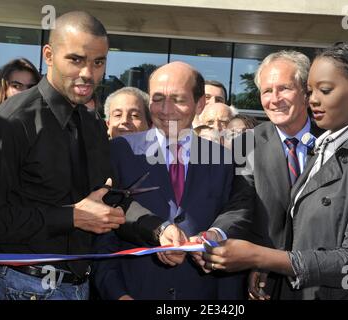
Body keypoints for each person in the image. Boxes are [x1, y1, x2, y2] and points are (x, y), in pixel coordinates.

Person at [202, 42, 348, 300]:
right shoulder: (324, 146)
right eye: (312, 90)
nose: (314, 99)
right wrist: (270, 264)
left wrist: (260, 257)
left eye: (325, 90)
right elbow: (298, 228)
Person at [0, 11, 128, 300]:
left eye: (98, 62)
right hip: (22, 286)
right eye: (76, 59)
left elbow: (104, 199)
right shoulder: (12, 120)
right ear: (48, 55)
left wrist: (158, 230)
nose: (88, 74)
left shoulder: (93, 123)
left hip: (80, 286)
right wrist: (71, 217)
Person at [94, 61, 245, 300]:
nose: (165, 110)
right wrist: (116, 294)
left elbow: (236, 214)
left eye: (178, 99)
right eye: (157, 98)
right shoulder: (120, 151)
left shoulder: (223, 159)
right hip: (134, 291)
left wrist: (214, 234)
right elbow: (104, 229)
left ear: (200, 104)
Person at [192, 50, 322, 299]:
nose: (274, 99)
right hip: (270, 286)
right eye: (266, 91)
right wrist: (217, 233)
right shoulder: (246, 144)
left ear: (306, 91)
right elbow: (242, 204)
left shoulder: (335, 139)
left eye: (284, 88)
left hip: (327, 281)